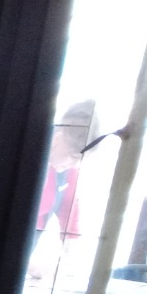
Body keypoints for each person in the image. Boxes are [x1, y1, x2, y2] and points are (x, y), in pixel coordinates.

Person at [28, 100, 98, 280]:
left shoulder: (67, 171)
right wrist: (25, 264)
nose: (74, 165)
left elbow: (69, 210)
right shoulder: (28, 158)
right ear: (58, 138)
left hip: (23, 252)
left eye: (79, 160)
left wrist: (68, 259)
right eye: (73, 156)